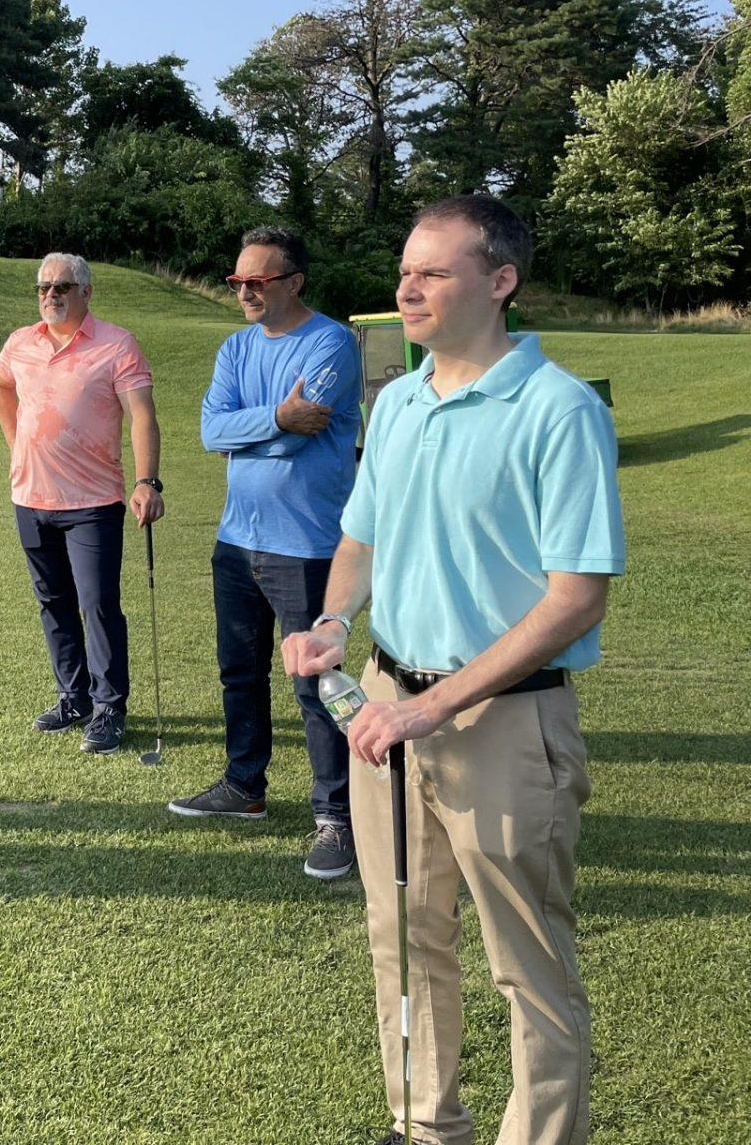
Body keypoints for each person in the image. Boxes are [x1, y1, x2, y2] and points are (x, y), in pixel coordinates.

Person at [282, 196, 622, 1145]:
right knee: (404, 938)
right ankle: (426, 1126)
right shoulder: (397, 399)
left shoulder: (559, 410)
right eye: (405, 269)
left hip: (506, 722)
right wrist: (332, 621)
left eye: (432, 271)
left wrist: (435, 710)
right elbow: (363, 534)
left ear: (500, 281)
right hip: (384, 707)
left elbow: (575, 599)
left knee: (529, 968)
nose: (406, 286)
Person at [168, 227, 362, 882]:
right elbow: (209, 430)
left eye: (259, 281)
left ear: (294, 281)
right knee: (238, 673)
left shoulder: (333, 341)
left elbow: (302, 438)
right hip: (236, 540)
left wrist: (257, 432)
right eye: (238, 282)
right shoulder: (235, 348)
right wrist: (276, 418)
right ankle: (243, 787)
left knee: (315, 685)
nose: (246, 291)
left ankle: (337, 818)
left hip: (304, 544)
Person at [0, 252, 165, 754]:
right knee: (54, 603)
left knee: (98, 605)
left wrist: (148, 481)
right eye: (43, 287)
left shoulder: (117, 345)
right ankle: (74, 697)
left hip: (92, 502)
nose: (51, 295)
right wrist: (15, 441)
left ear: (86, 291)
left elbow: (142, 417)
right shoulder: (21, 343)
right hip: (30, 496)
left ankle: (109, 706)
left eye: (62, 287)